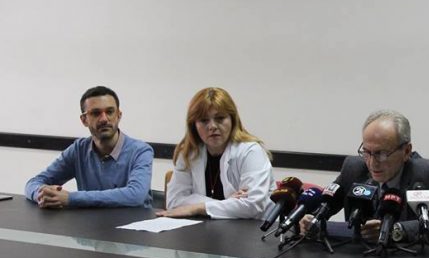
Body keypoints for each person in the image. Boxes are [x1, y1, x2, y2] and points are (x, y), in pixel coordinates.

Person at [302, 109, 429, 243]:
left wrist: (394, 230)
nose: (372, 163)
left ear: (406, 151)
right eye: (366, 152)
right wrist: (309, 220)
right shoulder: (354, 169)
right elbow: (327, 205)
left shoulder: (427, 173)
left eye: (381, 154)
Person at [24, 86, 154, 208]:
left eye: (110, 112)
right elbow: (33, 183)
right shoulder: (78, 150)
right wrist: (43, 196)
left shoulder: (140, 151)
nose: (104, 119)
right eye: (96, 113)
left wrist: (71, 198)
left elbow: (136, 195)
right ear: (84, 120)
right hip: (89, 224)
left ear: (118, 115)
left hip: (133, 224)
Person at [158, 87, 274, 219]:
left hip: (252, 228)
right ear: (193, 125)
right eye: (204, 120)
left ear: (232, 120)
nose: (212, 126)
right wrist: (227, 203)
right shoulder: (189, 153)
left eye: (220, 118)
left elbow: (252, 205)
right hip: (204, 228)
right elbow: (174, 202)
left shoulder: (251, 151)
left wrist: (198, 207)